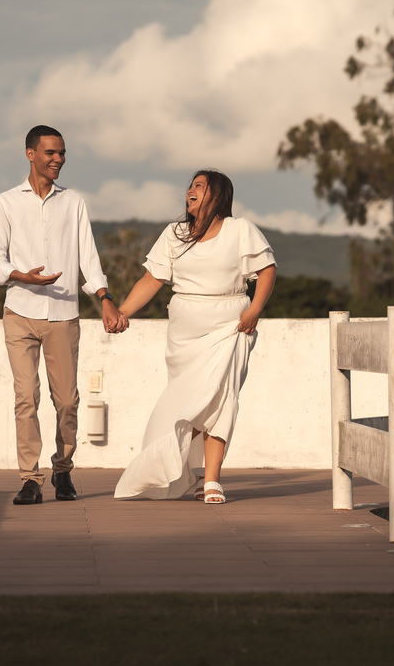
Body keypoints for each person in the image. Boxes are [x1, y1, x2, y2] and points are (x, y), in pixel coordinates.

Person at [113, 170, 276, 504]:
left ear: (217, 196)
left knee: (219, 399)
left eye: (200, 186)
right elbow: (152, 279)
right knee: (191, 405)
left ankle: (212, 479)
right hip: (184, 334)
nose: (191, 191)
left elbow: (267, 269)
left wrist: (255, 308)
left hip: (230, 327)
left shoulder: (239, 229)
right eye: (191, 185)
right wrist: (123, 312)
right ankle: (191, 473)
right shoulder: (174, 234)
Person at [0, 125, 127, 506]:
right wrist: (22, 276)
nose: (58, 160)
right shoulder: (5, 203)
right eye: (50, 152)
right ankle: (30, 479)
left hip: (64, 314)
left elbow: (89, 257)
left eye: (62, 153)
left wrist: (105, 297)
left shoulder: (74, 202)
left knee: (66, 401)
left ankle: (62, 470)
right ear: (30, 154)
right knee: (25, 397)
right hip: (19, 311)